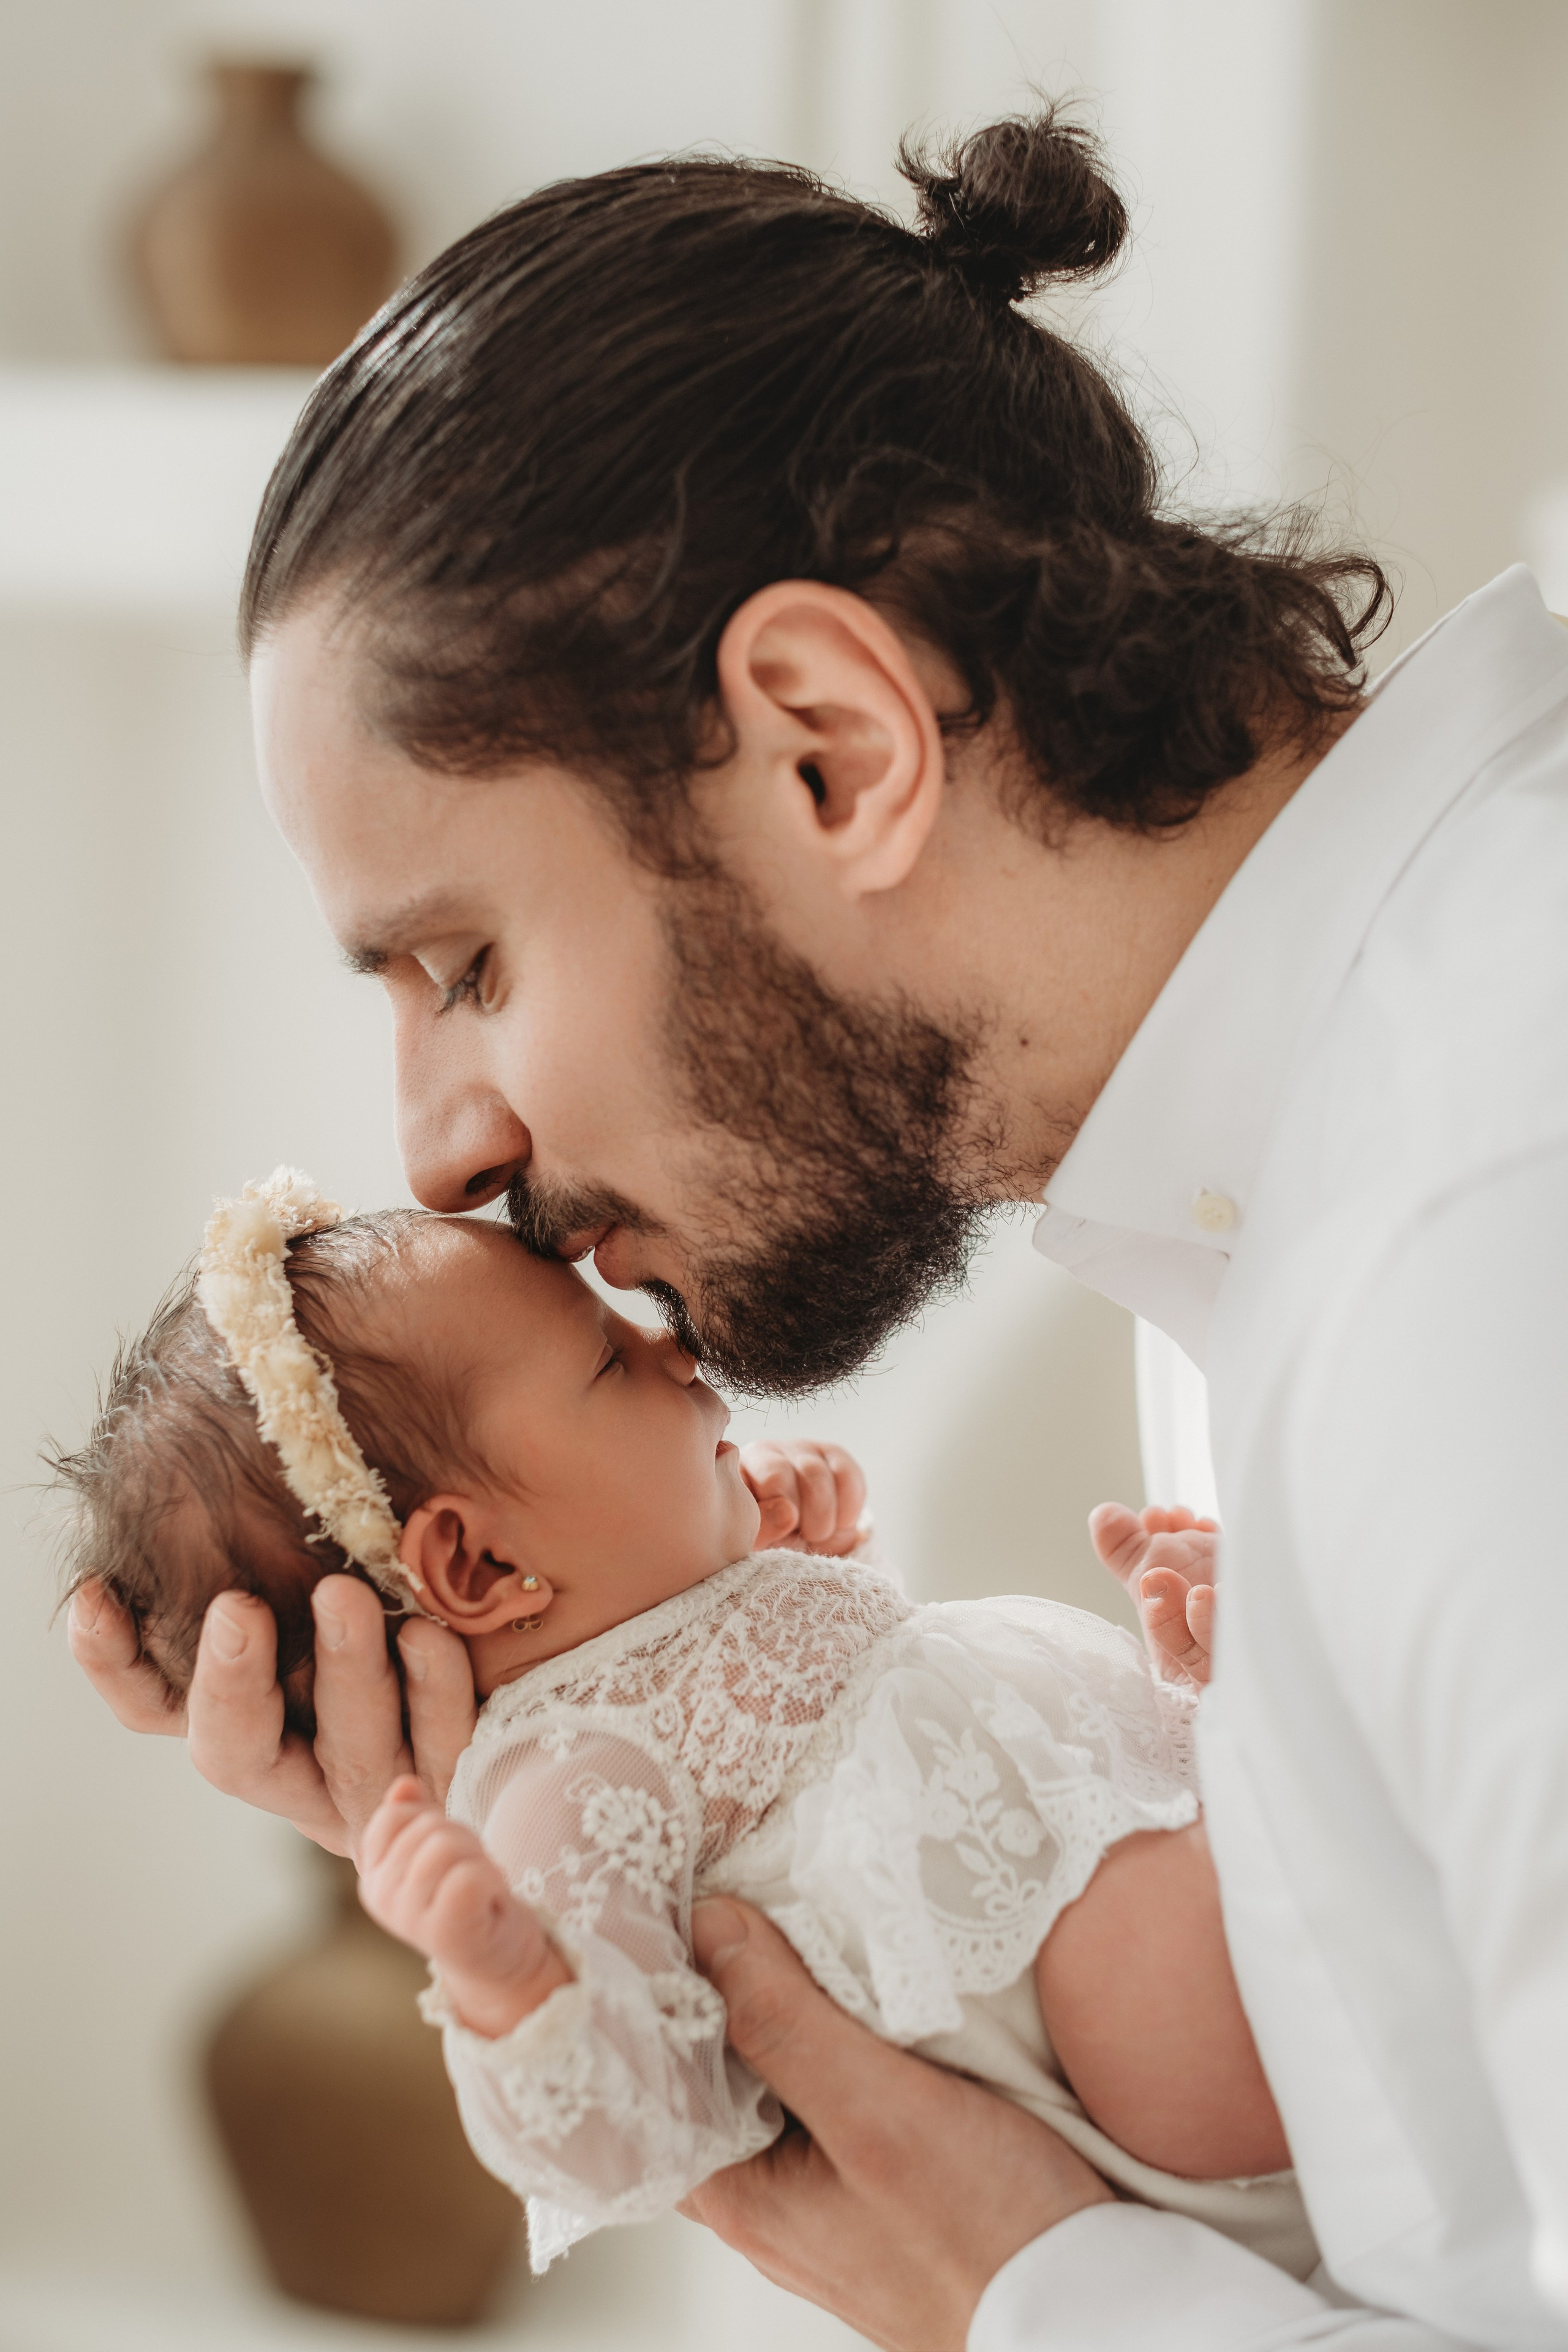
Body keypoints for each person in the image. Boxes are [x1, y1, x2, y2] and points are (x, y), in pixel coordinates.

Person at [67, 107, 1568, 2352]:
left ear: (833, 747)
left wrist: (1020, 2287)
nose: (444, 1147)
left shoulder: (1481, 1247)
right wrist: (565, 1841)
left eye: (461, 960)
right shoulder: (1267, 1208)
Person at [59, 1168, 1305, 2277]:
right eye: (608, 1363)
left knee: (1259, 1835)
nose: (675, 1353)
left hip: (1101, 1857)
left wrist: (792, 1528)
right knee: (1226, 1899)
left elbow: (821, 1704)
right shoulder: (560, 1774)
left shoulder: (664, 1611)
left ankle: (1236, 1721)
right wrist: (509, 1983)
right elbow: (636, 2138)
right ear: (481, 1568)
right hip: (1123, 2024)